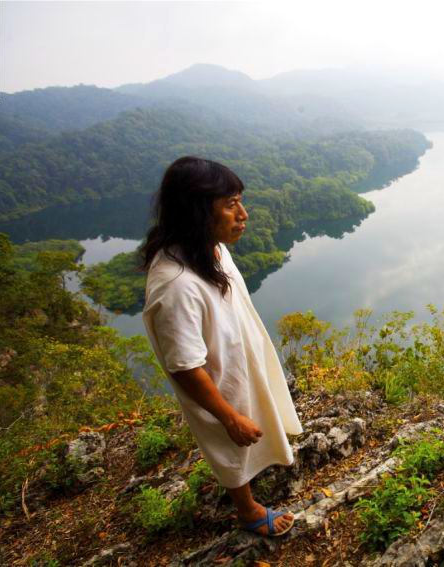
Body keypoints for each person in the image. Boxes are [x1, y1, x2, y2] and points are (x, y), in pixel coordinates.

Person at [140, 156, 303, 537]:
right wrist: (228, 415)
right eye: (230, 205)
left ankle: (259, 464)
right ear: (197, 211)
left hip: (238, 359)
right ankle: (246, 510)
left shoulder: (209, 249)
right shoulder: (175, 285)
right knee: (227, 442)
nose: (243, 214)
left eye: (240, 202)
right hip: (215, 380)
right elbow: (184, 366)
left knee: (255, 419)